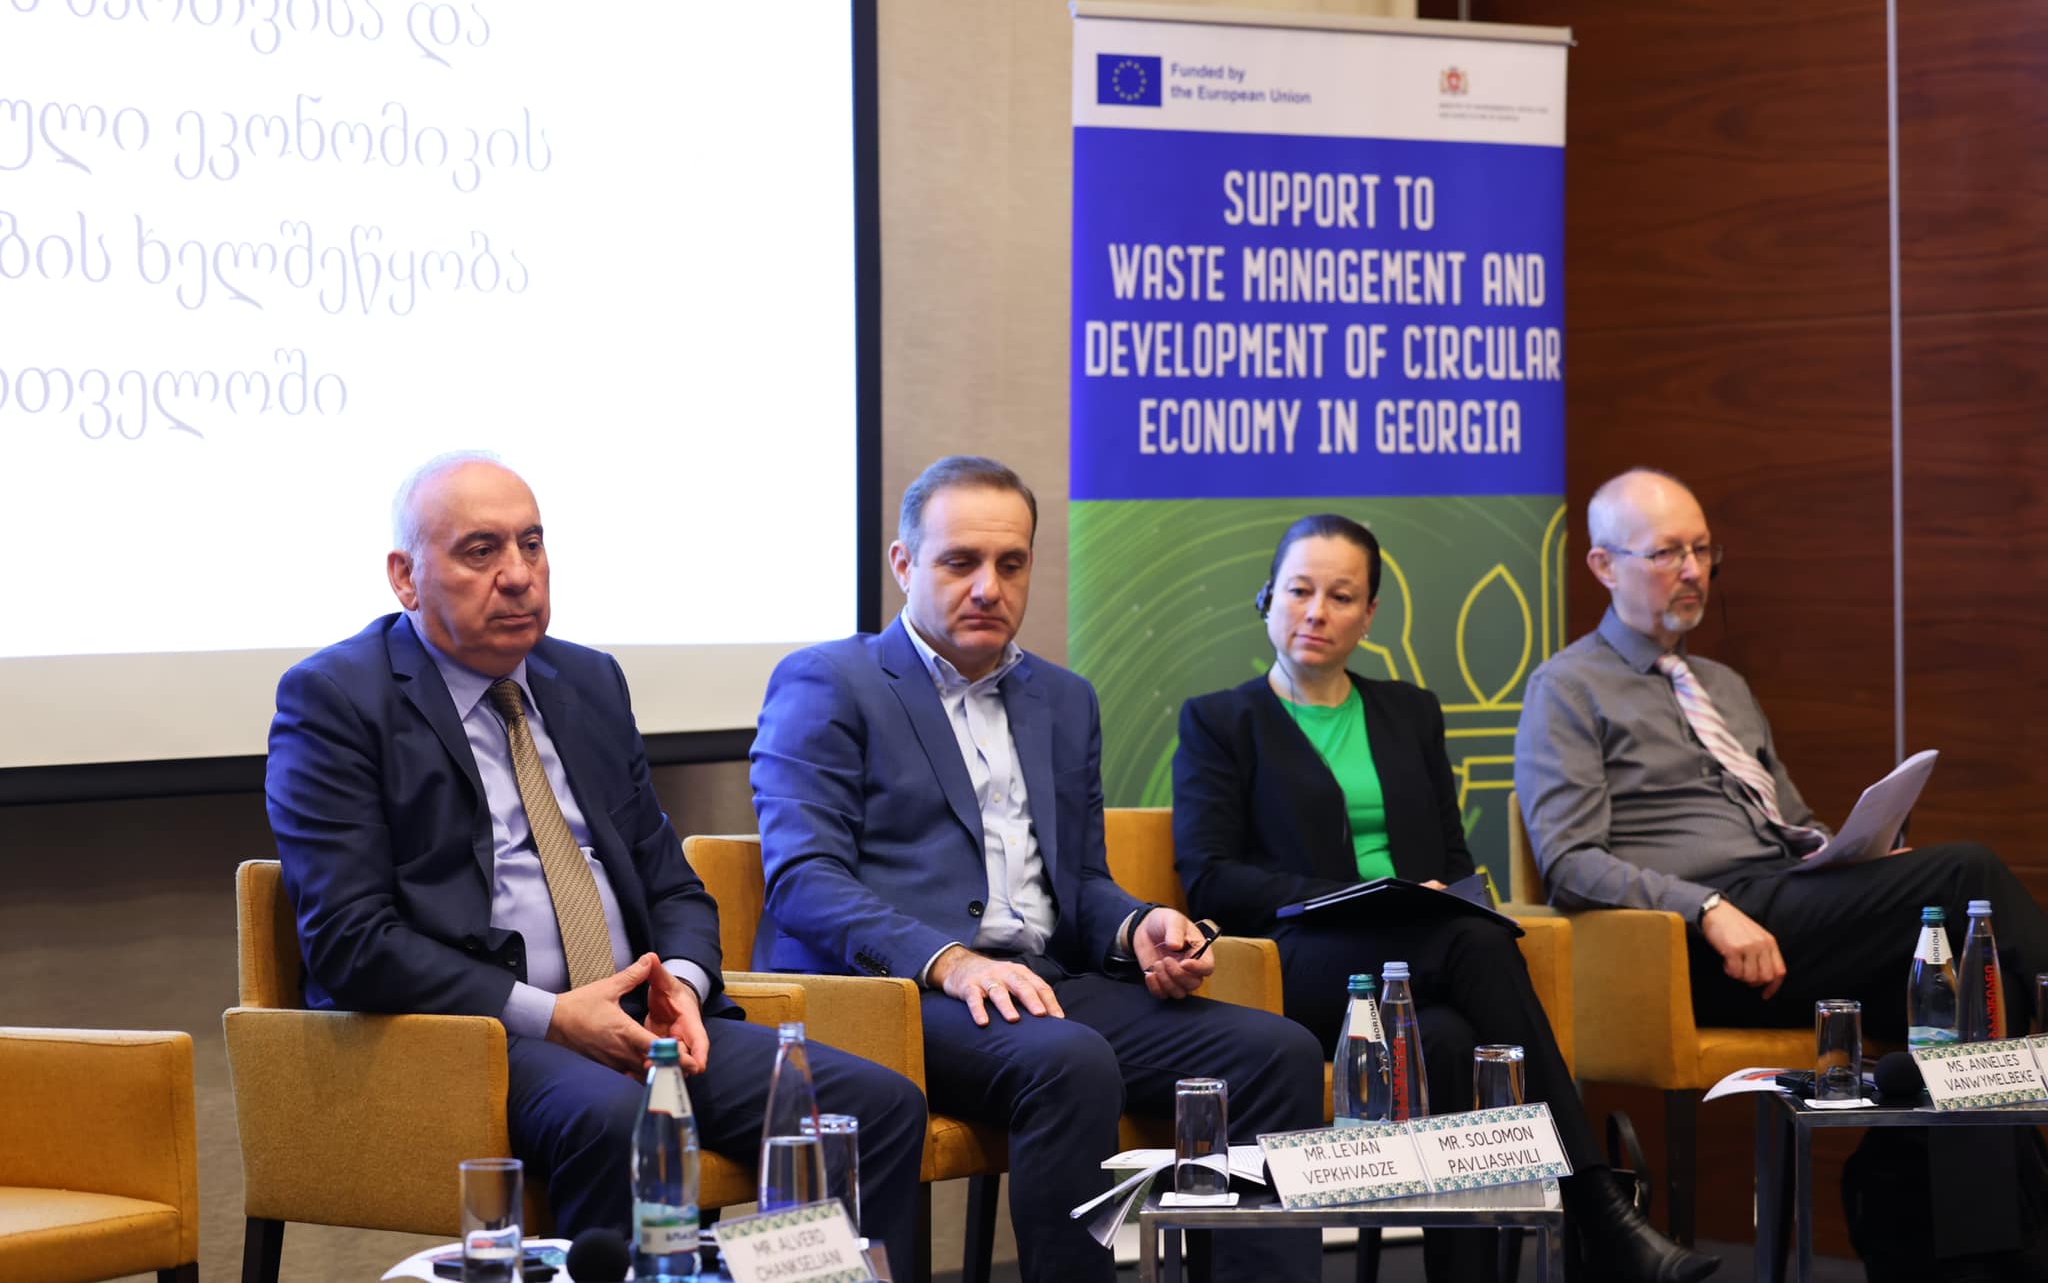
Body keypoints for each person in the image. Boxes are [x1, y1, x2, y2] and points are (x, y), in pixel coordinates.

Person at [265, 453, 925, 1265]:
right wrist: (552, 1016)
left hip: (645, 1022)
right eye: (481, 551)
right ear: (406, 577)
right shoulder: (336, 699)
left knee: (876, 1108)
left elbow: (672, 885)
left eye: (532, 544)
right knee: (621, 1120)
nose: (518, 575)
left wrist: (680, 987)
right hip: (480, 1036)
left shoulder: (586, 680)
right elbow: (350, 941)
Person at [750, 455, 1326, 1283]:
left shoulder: (1063, 698)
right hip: (897, 995)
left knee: (1277, 1052)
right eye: (960, 562)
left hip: (1041, 984)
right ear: (904, 563)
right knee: (1069, 1059)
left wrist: (1138, 927)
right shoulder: (830, 681)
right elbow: (805, 878)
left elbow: (1080, 881)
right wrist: (952, 962)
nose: (989, 587)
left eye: (1011, 563)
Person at [1174, 512, 1717, 1283]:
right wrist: (1369, 895)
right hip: (1302, 965)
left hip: (1423, 963)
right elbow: (1211, 876)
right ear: (1267, 598)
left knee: (1453, 1040)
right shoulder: (1221, 721)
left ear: (1370, 614)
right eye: (1298, 591)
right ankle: (1596, 1206)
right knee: (1476, 942)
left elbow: (1453, 861)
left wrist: (1436, 899)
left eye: (1341, 596)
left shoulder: (1410, 712)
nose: (1316, 612)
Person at [1514, 467, 2048, 1036]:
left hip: (1789, 909)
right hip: (1694, 939)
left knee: (1978, 977)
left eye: (1701, 550)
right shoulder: (1567, 688)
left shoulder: (1723, 686)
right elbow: (1570, 863)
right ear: (1604, 566)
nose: (1693, 571)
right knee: (1967, 871)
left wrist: (1862, 862)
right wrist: (1706, 907)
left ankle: (1952, 1100)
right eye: (1666, 553)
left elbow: (1795, 824)